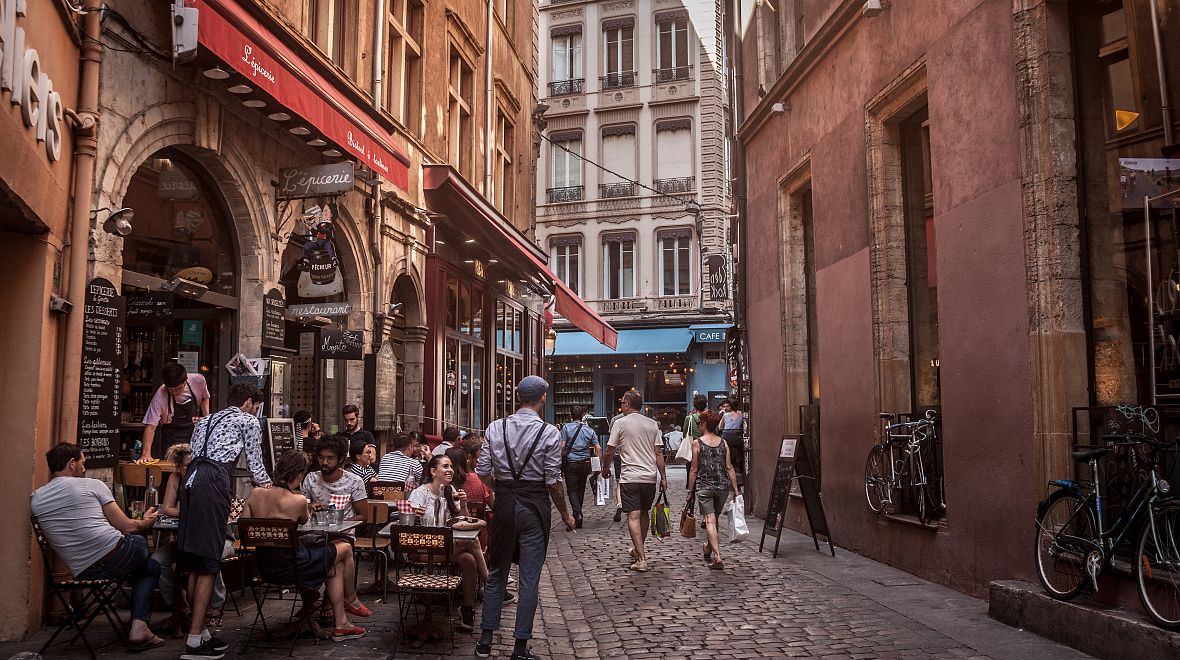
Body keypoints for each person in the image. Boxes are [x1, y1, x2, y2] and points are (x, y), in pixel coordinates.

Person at [476, 376, 575, 660]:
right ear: (543, 398)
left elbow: (483, 471)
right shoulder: (548, 432)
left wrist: (502, 490)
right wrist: (566, 515)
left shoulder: (496, 427)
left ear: (519, 397)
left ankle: (485, 640)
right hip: (534, 506)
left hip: (505, 503)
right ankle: (519, 647)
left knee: (497, 573)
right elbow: (553, 480)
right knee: (529, 579)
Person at [31, 443, 164, 652]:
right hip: (114, 557)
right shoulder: (91, 485)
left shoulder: (36, 498)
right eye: (82, 463)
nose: (84, 468)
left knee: (147, 567)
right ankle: (139, 626)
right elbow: (128, 526)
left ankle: (139, 626)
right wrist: (146, 521)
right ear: (71, 464)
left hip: (83, 571)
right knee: (144, 552)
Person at [179, 382, 271, 660]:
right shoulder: (247, 420)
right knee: (208, 561)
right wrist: (273, 490)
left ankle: (202, 632)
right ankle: (194, 641)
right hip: (214, 481)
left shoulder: (205, 420)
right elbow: (255, 465)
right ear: (247, 402)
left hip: (191, 481)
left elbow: (194, 454)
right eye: (254, 405)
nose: (255, 410)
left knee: (195, 559)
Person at [241, 451, 367, 642]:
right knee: (345, 548)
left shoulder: (255, 494)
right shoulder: (297, 500)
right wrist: (307, 507)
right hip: (295, 566)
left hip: (265, 567)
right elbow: (305, 520)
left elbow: (242, 528)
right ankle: (349, 602)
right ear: (299, 475)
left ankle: (342, 623)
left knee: (335, 561)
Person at [151, 445, 233, 632]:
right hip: (186, 539)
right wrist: (188, 512)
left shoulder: (207, 479)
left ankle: (214, 606)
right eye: (187, 466)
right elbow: (167, 508)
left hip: (221, 539)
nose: (192, 469)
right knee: (158, 560)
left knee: (207, 557)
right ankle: (179, 606)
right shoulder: (176, 479)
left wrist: (186, 512)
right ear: (179, 468)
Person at [408, 455, 488, 633]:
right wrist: (415, 515)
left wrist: (464, 502)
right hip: (423, 548)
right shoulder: (419, 493)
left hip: (445, 545)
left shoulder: (449, 490)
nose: (450, 469)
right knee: (472, 542)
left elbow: (462, 519)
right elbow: (406, 523)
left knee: (469, 560)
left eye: (451, 465)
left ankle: (467, 608)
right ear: (433, 471)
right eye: (445, 466)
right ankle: (489, 584)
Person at [602, 390, 667, 572]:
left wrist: (605, 468)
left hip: (630, 477)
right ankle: (639, 550)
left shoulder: (620, 423)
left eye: (622, 402)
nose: (621, 405)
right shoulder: (652, 424)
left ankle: (642, 559)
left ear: (627, 405)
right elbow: (658, 453)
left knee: (633, 516)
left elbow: (610, 450)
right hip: (649, 477)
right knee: (644, 513)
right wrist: (663, 477)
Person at [687, 410, 741, 570]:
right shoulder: (723, 442)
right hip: (722, 487)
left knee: (710, 520)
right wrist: (736, 489)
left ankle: (717, 556)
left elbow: (694, 469)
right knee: (714, 519)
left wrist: (690, 491)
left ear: (703, 424)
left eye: (699, 422)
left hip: (705, 487)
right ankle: (709, 548)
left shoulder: (697, 443)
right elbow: (729, 467)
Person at [138, 362, 210, 462]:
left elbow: (205, 398)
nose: (175, 392)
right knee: (172, 468)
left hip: (193, 432)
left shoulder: (198, 380)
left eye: (178, 388)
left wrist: (207, 420)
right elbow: (151, 427)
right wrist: (146, 454)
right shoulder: (160, 395)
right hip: (171, 435)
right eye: (171, 390)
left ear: (185, 381)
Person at [302, 434, 369, 520]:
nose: (325, 462)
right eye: (321, 458)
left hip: (344, 532)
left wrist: (342, 525)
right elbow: (303, 508)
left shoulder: (354, 481)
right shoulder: (311, 478)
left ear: (340, 459)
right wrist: (310, 506)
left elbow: (363, 516)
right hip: (316, 531)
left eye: (330, 458)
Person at [560, 405, 600, 529]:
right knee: (581, 489)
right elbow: (598, 448)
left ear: (571, 415)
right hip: (585, 463)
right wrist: (598, 466)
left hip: (571, 463)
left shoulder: (566, 428)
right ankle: (578, 512)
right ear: (582, 416)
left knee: (571, 490)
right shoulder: (589, 430)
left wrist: (560, 460)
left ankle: (577, 514)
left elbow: (562, 446)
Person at [721, 400, 747, 481]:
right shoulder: (741, 415)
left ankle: (726, 464)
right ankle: (739, 461)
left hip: (726, 436)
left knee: (724, 449)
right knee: (742, 446)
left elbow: (720, 427)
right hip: (736, 437)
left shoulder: (726, 415)